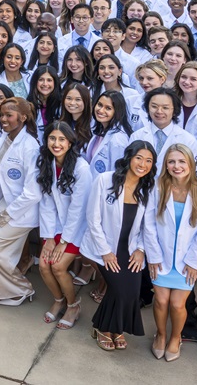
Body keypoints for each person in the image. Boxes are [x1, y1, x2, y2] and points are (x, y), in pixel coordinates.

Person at [143, 143, 197, 361]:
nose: (177, 166)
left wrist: (193, 262)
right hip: (161, 257)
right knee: (161, 301)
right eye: (171, 161)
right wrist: (153, 257)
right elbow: (148, 225)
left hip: (186, 260)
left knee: (176, 303)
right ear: (165, 164)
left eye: (182, 161)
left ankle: (176, 337)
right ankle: (161, 335)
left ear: (190, 163)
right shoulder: (157, 187)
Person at [84, 141, 156, 351]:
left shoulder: (148, 188)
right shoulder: (105, 180)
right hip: (105, 247)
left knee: (132, 293)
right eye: (139, 158)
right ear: (129, 158)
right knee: (119, 289)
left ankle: (110, 328)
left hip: (130, 248)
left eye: (149, 160)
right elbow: (92, 219)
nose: (143, 164)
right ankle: (106, 329)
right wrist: (105, 252)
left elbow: (147, 225)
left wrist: (141, 250)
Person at [0, 97, 41, 304]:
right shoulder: (4, 138)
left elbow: (33, 193)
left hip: (22, 209)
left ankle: (21, 289)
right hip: (6, 202)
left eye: (9, 115)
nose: (3, 119)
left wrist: (6, 215)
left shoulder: (30, 147)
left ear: (23, 117)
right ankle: (6, 287)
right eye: (1, 114)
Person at [35, 121, 93, 330]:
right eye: (52, 138)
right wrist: (50, 237)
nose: (56, 143)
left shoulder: (81, 168)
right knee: (43, 265)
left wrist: (63, 242)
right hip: (55, 226)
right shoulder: (47, 162)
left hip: (76, 229)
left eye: (61, 139)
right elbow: (46, 202)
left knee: (58, 267)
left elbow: (78, 210)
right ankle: (59, 299)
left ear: (70, 142)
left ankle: (73, 305)